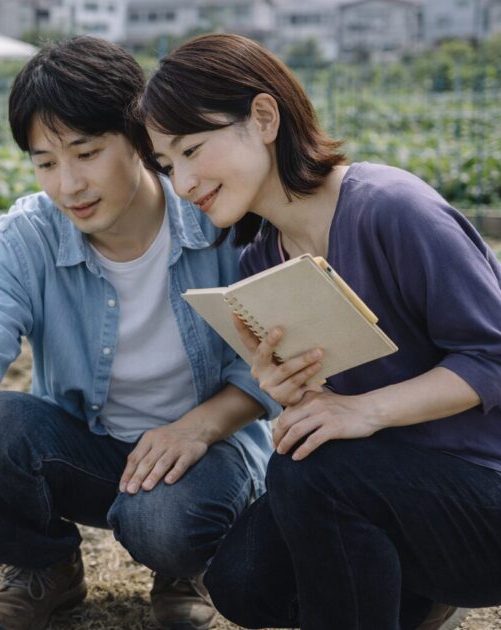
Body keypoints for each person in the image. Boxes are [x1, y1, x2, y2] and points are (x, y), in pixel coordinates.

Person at [0, 36, 280, 630]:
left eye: (86, 153)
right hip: (91, 449)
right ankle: (44, 567)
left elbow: (270, 361)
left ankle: (183, 565)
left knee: (166, 523)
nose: (68, 185)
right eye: (46, 162)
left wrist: (196, 428)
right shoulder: (29, 236)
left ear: (142, 140)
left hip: (207, 449)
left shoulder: (219, 219)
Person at [138, 32, 501, 630]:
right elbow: (333, 410)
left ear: (262, 117)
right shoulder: (262, 262)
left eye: (193, 149)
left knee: (314, 472)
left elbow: (492, 357)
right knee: (241, 582)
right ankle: (415, 600)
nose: (182, 183)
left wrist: (364, 412)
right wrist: (295, 393)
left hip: (481, 493)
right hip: (389, 489)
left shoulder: (392, 208)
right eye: (167, 165)